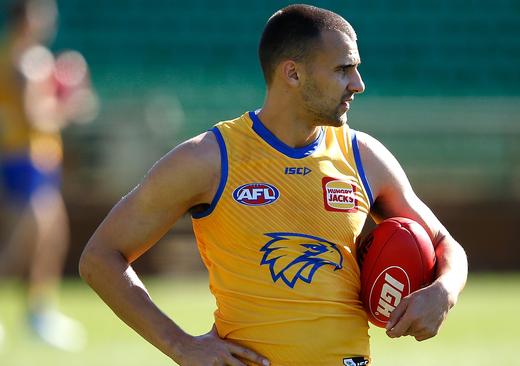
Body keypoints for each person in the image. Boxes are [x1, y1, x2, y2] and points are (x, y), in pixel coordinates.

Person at [79, 4, 468, 365]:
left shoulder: (364, 156)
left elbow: (445, 244)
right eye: (342, 69)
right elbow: (100, 257)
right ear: (293, 73)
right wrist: (180, 344)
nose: (358, 84)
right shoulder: (209, 159)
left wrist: (443, 291)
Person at [0, 0, 94, 351]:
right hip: (24, 160)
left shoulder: (22, 55)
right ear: (28, 16)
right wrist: (71, 98)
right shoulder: (28, 60)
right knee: (20, 244)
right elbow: (35, 119)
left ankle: (39, 313)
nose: (50, 20)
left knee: (51, 237)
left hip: (35, 161)